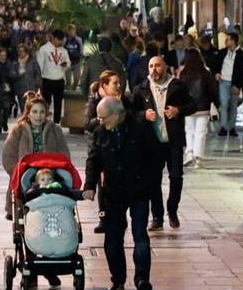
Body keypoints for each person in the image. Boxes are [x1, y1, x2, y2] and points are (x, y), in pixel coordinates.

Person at [82, 97, 157, 290]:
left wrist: (149, 183)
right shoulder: (101, 132)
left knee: (140, 235)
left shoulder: (140, 127)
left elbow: (155, 158)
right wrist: (89, 185)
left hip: (138, 190)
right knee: (112, 240)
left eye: (103, 117)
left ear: (116, 114)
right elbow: (93, 161)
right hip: (113, 193)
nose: (100, 121)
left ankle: (142, 279)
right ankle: (118, 280)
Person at [2, 92, 68, 287]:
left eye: (42, 112)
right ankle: (30, 266)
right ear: (28, 113)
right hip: (25, 185)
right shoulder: (18, 131)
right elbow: (8, 157)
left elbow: (64, 154)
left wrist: (57, 174)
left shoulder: (55, 130)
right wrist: (22, 174)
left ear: (47, 113)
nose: (39, 116)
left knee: (49, 224)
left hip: (49, 184)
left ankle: (48, 268)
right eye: (35, 112)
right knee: (27, 227)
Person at [131, 56, 196, 231]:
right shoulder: (141, 89)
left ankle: (172, 210)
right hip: (152, 143)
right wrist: (143, 115)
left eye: (158, 65)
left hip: (173, 141)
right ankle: (157, 217)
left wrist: (178, 110)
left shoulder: (177, 85)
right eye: (151, 66)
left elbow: (193, 105)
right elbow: (131, 113)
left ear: (165, 66)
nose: (154, 69)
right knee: (153, 180)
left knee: (176, 177)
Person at [84, 70, 129, 234]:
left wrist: (118, 106)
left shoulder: (123, 100)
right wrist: (103, 116)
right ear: (104, 85)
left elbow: (129, 118)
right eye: (114, 83)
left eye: (119, 82)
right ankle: (103, 217)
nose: (118, 86)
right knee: (103, 184)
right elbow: (87, 123)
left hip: (118, 148)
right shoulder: (94, 100)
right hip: (100, 145)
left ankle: (117, 215)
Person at [178, 48, 219, 169]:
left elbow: (179, 90)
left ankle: (190, 153)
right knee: (200, 132)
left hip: (188, 107)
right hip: (203, 106)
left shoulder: (183, 73)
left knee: (189, 130)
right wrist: (216, 103)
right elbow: (213, 90)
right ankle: (198, 158)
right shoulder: (205, 72)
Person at [215, 32, 243, 137]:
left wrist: (238, 86)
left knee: (233, 106)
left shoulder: (242, 55)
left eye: (227, 40)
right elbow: (215, 65)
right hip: (223, 81)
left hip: (235, 84)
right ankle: (224, 127)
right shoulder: (221, 53)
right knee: (224, 104)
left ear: (233, 41)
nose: (226, 42)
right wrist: (217, 73)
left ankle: (232, 127)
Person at [37, 29, 70, 124]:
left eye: (61, 40)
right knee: (46, 102)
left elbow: (68, 62)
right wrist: (39, 81)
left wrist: (66, 65)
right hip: (47, 79)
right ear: (53, 38)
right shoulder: (44, 49)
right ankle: (44, 121)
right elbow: (40, 65)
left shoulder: (64, 51)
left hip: (59, 80)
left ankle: (56, 123)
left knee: (58, 103)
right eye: (58, 40)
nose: (60, 42)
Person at [0, 48, 17, 134]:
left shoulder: (9, 65)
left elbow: (13, 75)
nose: (3, 57)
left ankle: (5, 122)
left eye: (4, 55)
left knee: (6, 108)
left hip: (7, 90)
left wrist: (8, 76)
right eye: (1, 55)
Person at [13, 44, 42, 112]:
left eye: (22, 51)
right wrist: (18, 74)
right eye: (19, 51)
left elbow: (38, 73)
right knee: (23, 108)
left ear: (26, 52)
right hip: (20, 89)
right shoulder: (15, 63)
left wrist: (37, 84)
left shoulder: (32, 62)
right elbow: (12, 75)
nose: (20, 53)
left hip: (31, 88)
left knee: (32, 107)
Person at [63, 24, 84, 91]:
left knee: (77, 78)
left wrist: (81, 60)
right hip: (68, 63)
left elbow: (81, 51)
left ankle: (73, 90)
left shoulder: (79, 40)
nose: (72, 32)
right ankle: (68, 93)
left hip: (76, 62)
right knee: (68, 80)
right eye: (71, 30)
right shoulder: (65, 40)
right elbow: (62, 50)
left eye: (73, 30)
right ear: (68, 31)